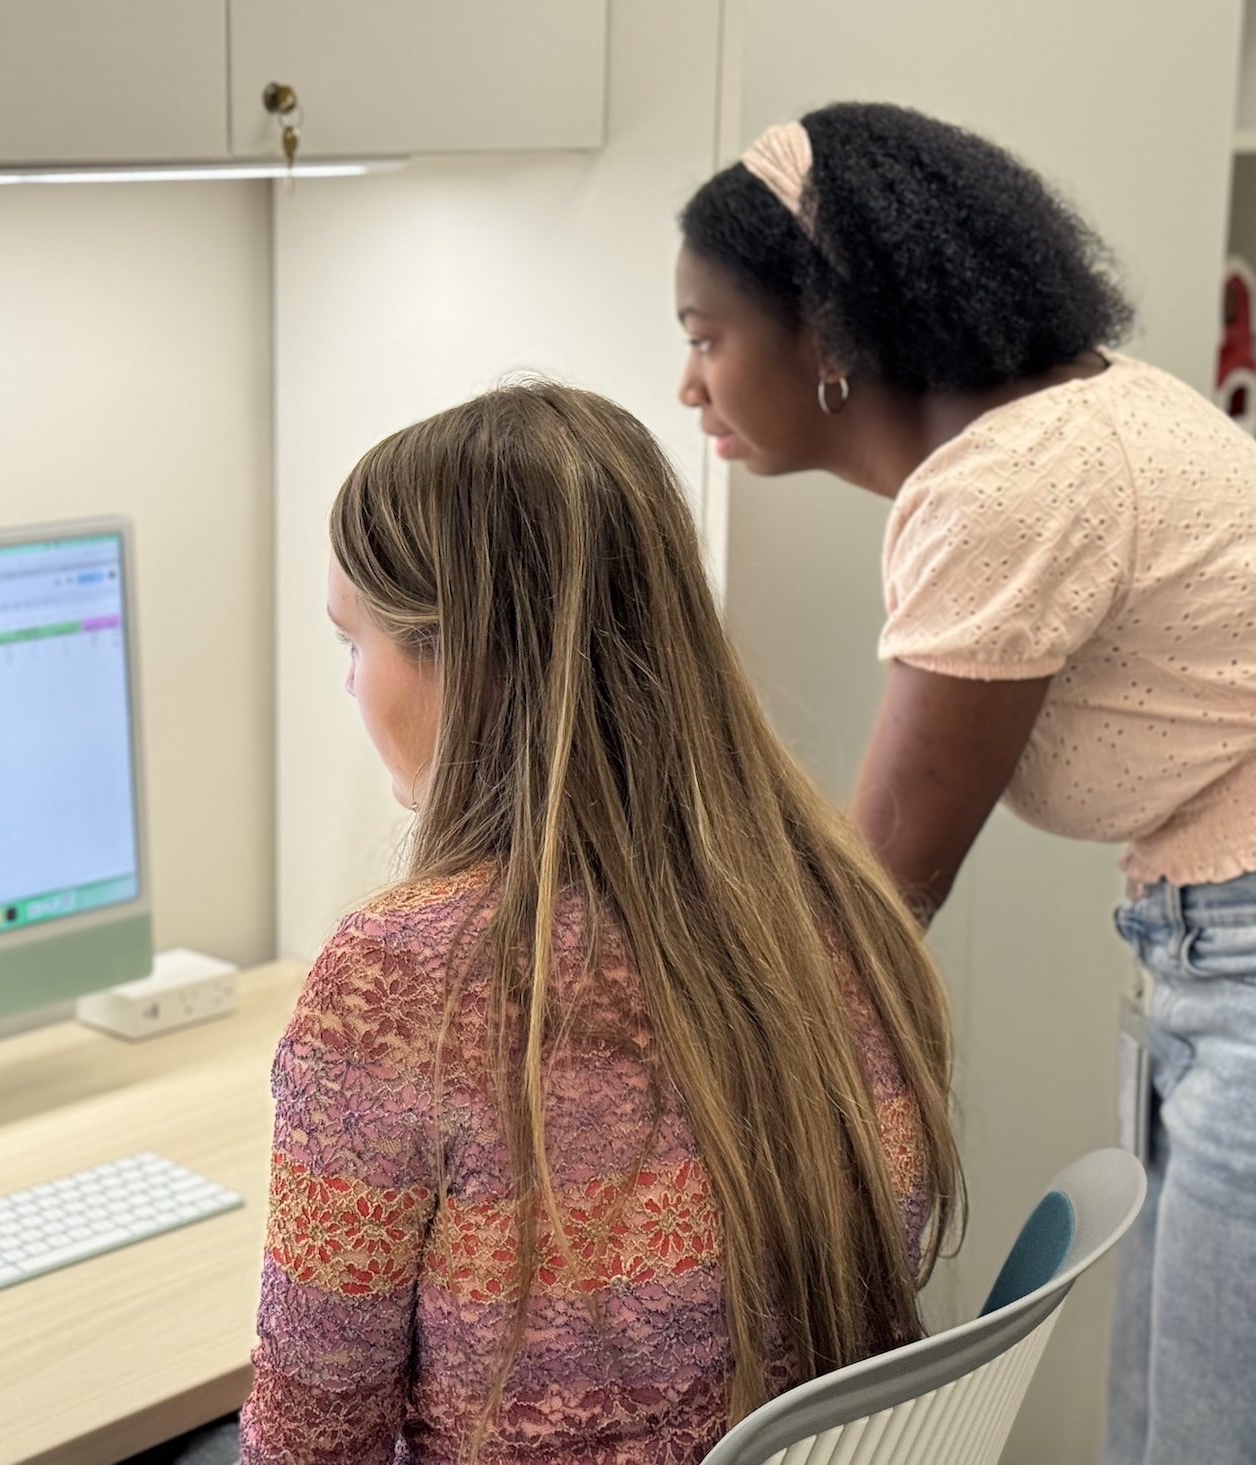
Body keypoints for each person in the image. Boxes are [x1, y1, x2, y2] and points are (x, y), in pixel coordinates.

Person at [675, 101, 1256, 1465]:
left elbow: (883, 891)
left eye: (705, 336)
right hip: (1250, 952)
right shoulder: (1058, 420)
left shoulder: (1007, 482)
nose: (688, 385)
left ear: (827, 328)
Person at [239, 382, 962, 1463]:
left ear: (465, 662)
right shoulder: (836, 900)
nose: (353, 687)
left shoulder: (402, 981)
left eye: (359, 643)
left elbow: (310, 1445)